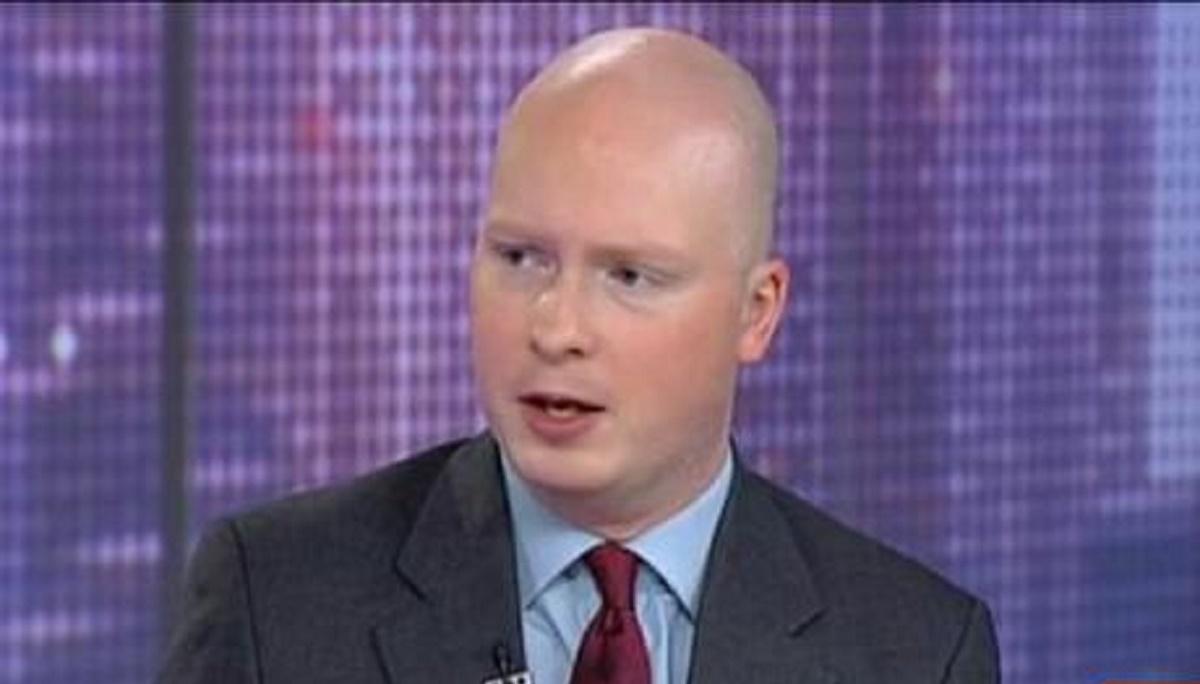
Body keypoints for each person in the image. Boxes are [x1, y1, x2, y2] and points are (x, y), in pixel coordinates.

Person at [157, 27, 999, 684]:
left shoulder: (918, 651)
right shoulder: (276, 602)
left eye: (629, 276)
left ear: (757, 312)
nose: (556, 328)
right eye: (521, 258)